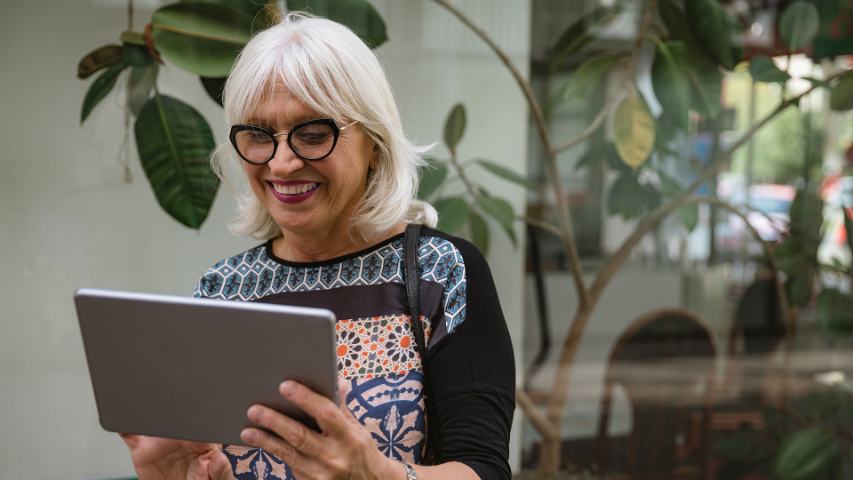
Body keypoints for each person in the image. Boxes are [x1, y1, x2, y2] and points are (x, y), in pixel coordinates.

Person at [120, 12, 515, 480]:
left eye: (312, 134)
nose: (282, 163)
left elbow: (483, 468)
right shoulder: (224, 290)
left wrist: (376, 476)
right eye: (258, 135)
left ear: (374, 142)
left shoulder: (438, 271)